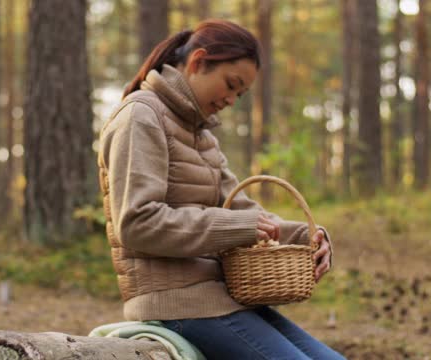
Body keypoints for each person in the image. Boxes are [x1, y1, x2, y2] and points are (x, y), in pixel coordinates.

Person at [97, 19, 344, 359]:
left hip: (221, 299)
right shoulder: (141, 116)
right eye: (231, 85)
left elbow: (242, 210)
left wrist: (307, 236)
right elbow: (137, 223)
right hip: (176, 303)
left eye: (240, 94)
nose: (231, 100)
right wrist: (237, 229)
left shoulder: (203, 137)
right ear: (198, 62)